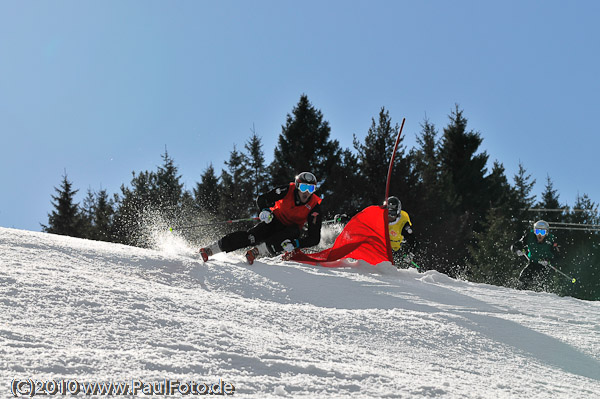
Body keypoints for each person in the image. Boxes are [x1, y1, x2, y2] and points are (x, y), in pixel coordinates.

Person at [199, 172, 323, 264]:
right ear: (297, 186)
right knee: (251, 237)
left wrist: (296, 244)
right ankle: (211, 249)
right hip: (274, 221)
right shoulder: (287, 190)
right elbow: (263, 199)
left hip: (289, 232)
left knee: (291, 233)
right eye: (303, 187)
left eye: (311, 188)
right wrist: (265, 210)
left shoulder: (314, 207)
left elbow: (314, 238)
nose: (306, 192)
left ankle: (258, 251)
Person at [511, 220, 560, 290]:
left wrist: (548, 261)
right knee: (523, 279)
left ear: (546, 233)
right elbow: (515, 245)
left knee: (543, 283)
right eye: (537, 232)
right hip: (533, 263)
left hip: (545, 267)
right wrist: (517, 250)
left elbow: (558, 255)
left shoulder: (551, 240)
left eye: (542, 232)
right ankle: (520, 295)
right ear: (534, 231)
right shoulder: (529, 237)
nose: (539, 235)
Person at [386, 196, 414, 267]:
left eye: (392, 213)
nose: (389, 216)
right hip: (382, 248)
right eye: (388, 213)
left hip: (396, 250)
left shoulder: (403, 224)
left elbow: (413, 240)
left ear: (397, 213)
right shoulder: (380, 219)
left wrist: (410, 254)